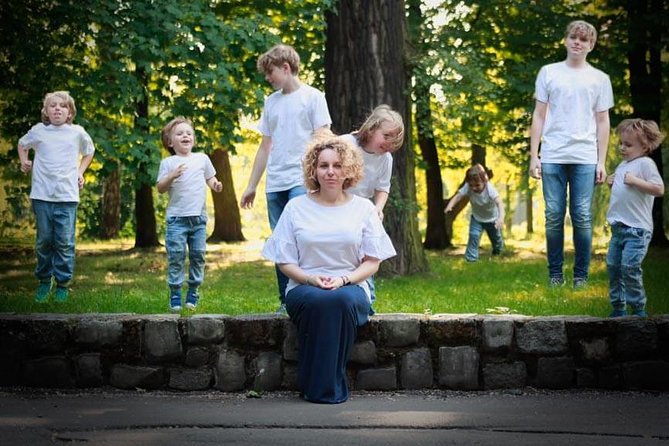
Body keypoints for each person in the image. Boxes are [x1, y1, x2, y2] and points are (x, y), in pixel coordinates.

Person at [261, 136, 396, 404]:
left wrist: (345, 279)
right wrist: (310, 278)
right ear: (313, 170)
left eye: (337, 165)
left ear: (349, 169)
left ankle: (316, 386)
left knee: (339, 300)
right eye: (323, 165)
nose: (331, 171)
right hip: (303, 288)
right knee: (319, 301)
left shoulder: (363, 208)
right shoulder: (296, 207)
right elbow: (284, 261)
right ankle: (328, 388)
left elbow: (373, 260)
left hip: (351, 287)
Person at [239, 43, 332, 314]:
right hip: (275, 183)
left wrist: (311, 168)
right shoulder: (271, 102)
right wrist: (251, 185)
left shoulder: (313, 97)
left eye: (270, 72)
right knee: (280, 243)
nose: (268, 78)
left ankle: (311, 293)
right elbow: (265, 145)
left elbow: (323, 135)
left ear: (286, 68)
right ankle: (286, 301)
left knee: (302, 237)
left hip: (300, 180)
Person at [529, 20, 614, 288]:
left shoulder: (600, 79)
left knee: (582, 216)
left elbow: (603, 122)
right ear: (565, 40)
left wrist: (601, 160)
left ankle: (581, 277)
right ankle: (555, 275)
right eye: (573, 37)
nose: (578, 42)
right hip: (553, 154)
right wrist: (535, 156)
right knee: (554, 215)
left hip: (585, 158)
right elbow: (539, 115)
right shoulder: (548, 73)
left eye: (584, 39)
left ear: (591, 45)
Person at [17, 91, 95, 303]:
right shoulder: (39, 131)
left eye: (63, 106)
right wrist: (24, 161)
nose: (58, 109)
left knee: (64, 242)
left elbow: (89, 151)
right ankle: (44, 281)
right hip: (42, 195)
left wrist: (80, 172)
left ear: (70, 112)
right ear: (46, 111)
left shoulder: (77, 132)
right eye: (53, 106)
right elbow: (22, 144)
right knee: (44, 240)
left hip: (67, 196)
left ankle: (62, 284)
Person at [157, 117, 223, 312]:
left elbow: (210, 178)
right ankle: (175, 293)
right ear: (170, 142)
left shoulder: (202, 158)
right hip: (176, 220)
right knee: (176, 256)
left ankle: (193, 291)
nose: (185, 136)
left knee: (198, 255)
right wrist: (171, 176)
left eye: (188, 133)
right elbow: (160, 188)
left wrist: (215, 185)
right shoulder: (168, 163)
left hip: (199, 219)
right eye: (179, 134)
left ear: (193, 139)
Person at [605, 119, 665, 318]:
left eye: (628, 145)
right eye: (621, 143)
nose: (622, 148)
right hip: (618, 229)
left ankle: (638, 309)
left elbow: (659, 189)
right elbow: (624, 192)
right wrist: (611, 182)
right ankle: (618, 308)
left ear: (645, 146)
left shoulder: (646, 164)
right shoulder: (623, 165)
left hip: (637, 230)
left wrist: (636, 181)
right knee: (613, 266)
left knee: (629, 267)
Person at [341, 104, 404, 221]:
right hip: (335, 203)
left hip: (360, 208)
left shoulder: (386, 159)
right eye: (386, 136)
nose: (389, 143)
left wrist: (378, 208)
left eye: (394, 141)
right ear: (371, 128)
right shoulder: (345, 144)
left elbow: (383, 187)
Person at [445, 164, 505, 261]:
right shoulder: (468, 186)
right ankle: (471, 259)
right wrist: (450, 205)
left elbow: (500, 203)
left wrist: (500, 218)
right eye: (471, 185)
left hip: (492, 219)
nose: (473, 188)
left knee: (496, 239)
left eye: (477, 185)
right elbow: (458, 196)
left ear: (484, 181)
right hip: (477, 218)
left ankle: (498, 253)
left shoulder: (490, 189)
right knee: (474, 235)